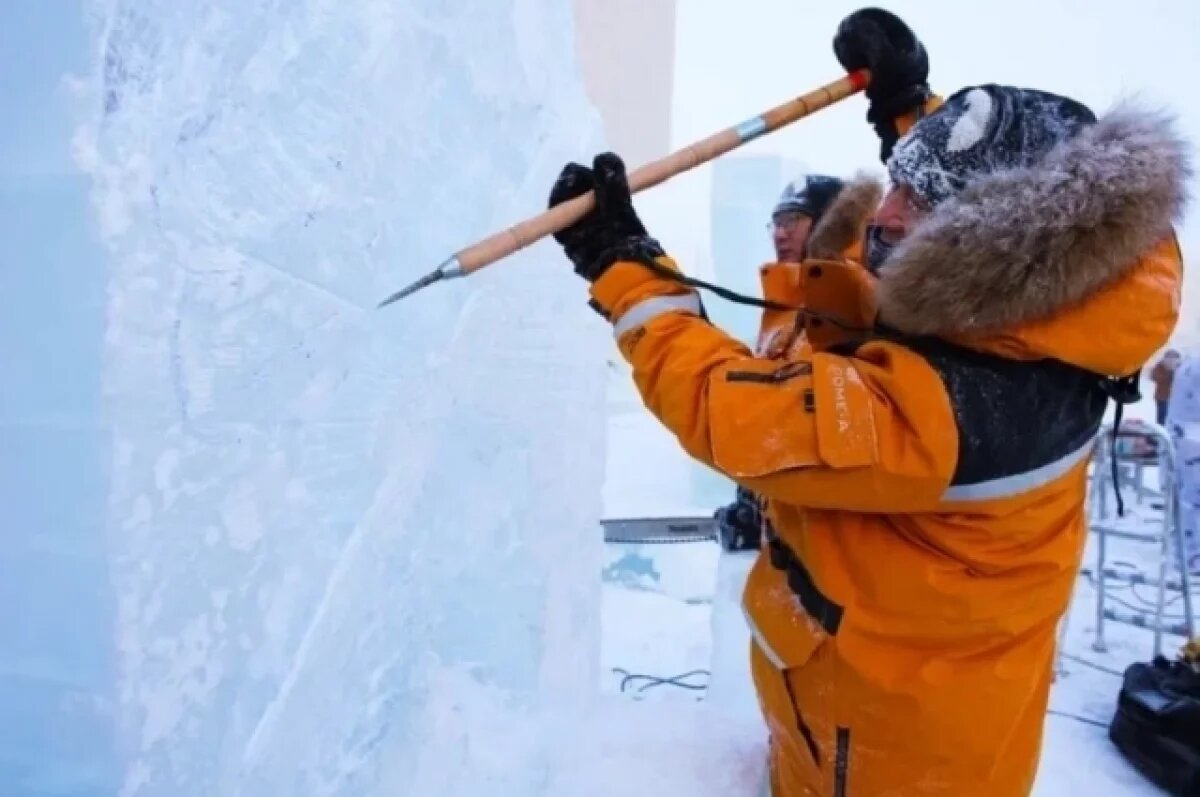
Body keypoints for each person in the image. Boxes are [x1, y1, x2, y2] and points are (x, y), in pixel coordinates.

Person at [546, 6, 1186, 794]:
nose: (885, 213)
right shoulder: (1051, 302)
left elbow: (734, 412)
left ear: (988, 242)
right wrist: (910, 110)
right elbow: (997, 188)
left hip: (894, 761)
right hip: (874, 718)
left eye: (918, 202)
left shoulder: (959, 406)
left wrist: (624, 264)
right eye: (901, 183)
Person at [716, 173, 882, 552]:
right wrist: (756, 503)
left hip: (835, 543)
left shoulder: (859, 302)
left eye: (793, 221)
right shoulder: (785, 311)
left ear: (827, 223)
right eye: (776, 222)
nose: (779, 234)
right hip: (790, 538)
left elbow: (831, 432)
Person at [1151, 348, 1182, 424]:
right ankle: (1161, 429)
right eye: (1169, 358)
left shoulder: (1181, 367)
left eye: (1174, 358)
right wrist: (1169, 373)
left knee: (1174, 417)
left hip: (1176, 397)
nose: (1171, 360)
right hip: (1162, 397)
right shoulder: (1160, 366)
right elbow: (1154, 377)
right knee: (1162, 417)